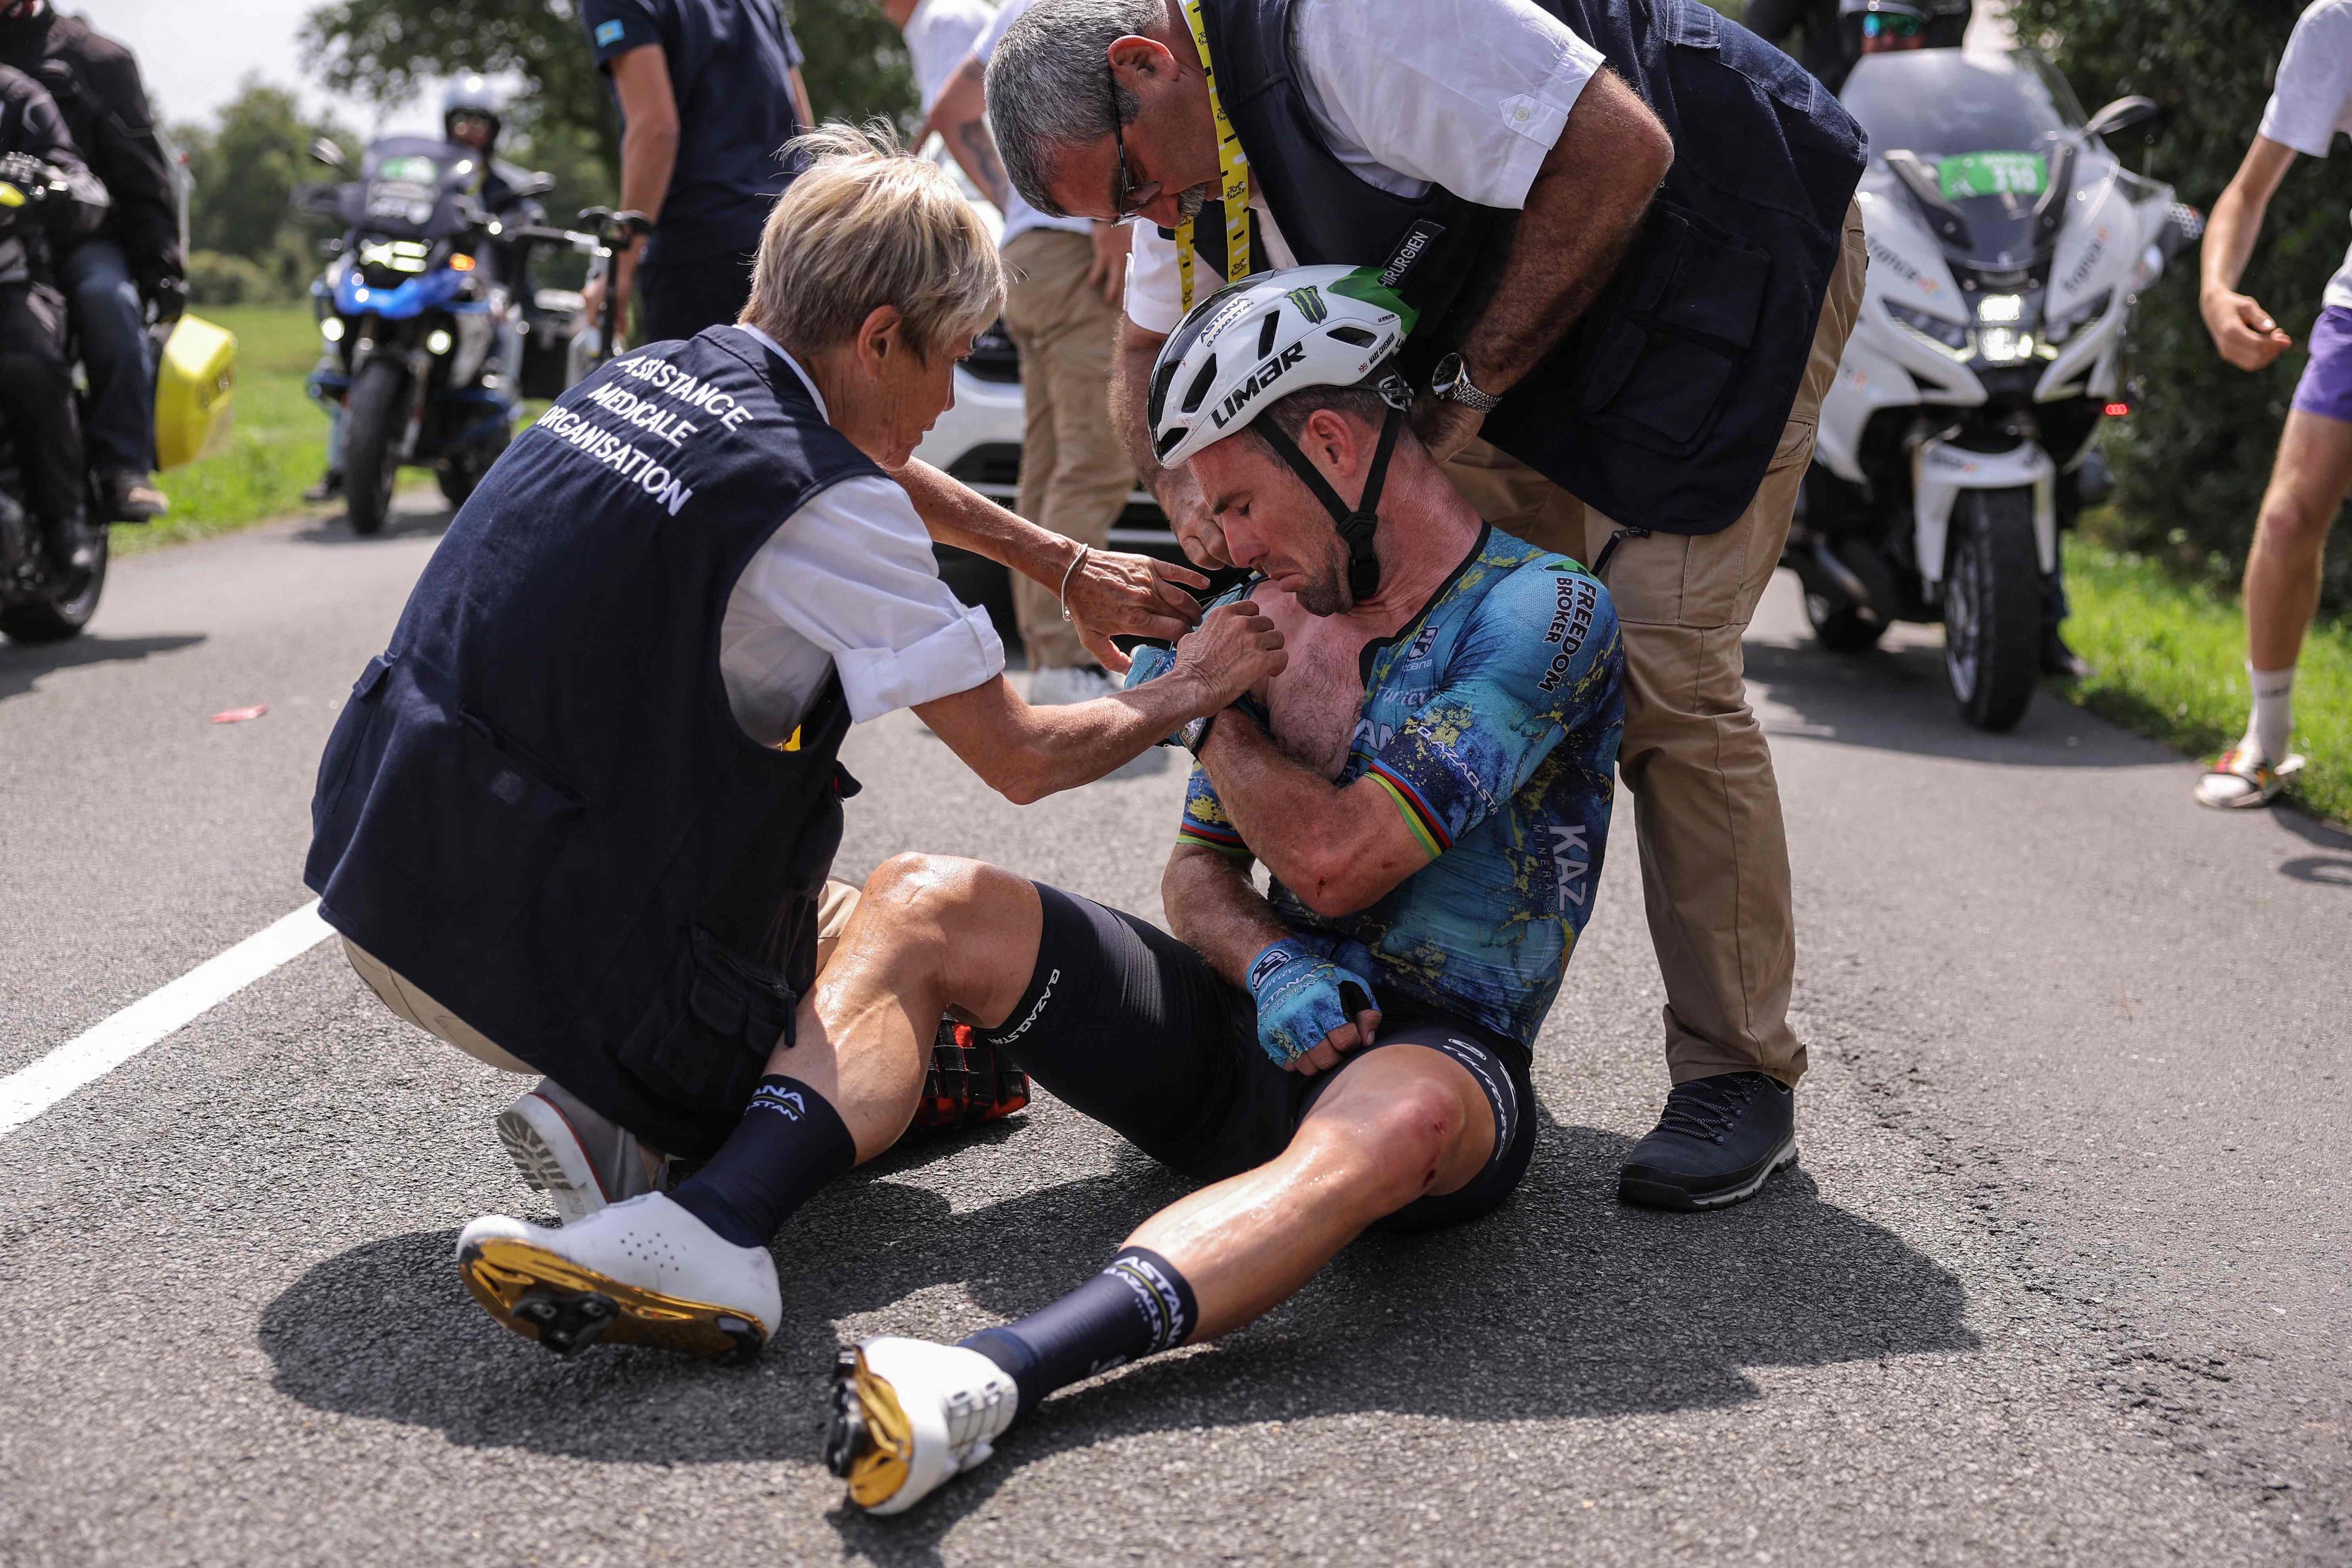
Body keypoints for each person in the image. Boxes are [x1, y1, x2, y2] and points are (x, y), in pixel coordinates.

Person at [440, 269, 1625, 1522]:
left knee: (1395, 1122)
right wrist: (1265, 957)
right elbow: (1200, 872)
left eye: (1233, 500)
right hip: (1247, 1031)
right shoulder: (1268, 613)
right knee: (925, 893)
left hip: (1438, 1061)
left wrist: (1193, 699)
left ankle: (989, 1377)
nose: (1221, 547)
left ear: (1330, 441)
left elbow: (1336, 856)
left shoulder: (1542, 613)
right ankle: (710, 1231)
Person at [984, 0, 1870, 1212]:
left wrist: (1452, 398)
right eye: (1116, 211)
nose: (1146, 218)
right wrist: (1192, 500)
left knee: (1665, 661)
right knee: (1397, 572)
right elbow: (1139, 361)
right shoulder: (1169, 130)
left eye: (1131, 186)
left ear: (1143, 68)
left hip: (1722, 235)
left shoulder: (1354, 22)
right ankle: (1422, 970)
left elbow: (1621, 151)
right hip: (1555, 270)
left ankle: (1737, 1073)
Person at [306, 126, 1253, 1233]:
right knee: (895, 961)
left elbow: (858, 459)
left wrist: (1060, 561)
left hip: (383, 866)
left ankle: (624, 1097)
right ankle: (643, 1124)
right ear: (882, 337)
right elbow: (1026, 759)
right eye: (950, 357)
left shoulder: (651, 370)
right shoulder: (827, 508)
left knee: (833, 908)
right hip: (502, 946)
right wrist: (1193, 682)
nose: (949, 400)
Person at [927, 0, 1142, 704]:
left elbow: (955, 106)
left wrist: (1025, 196)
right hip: (1082, 258)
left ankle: (1049, 658)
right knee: (1093, 462)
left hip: (1026, 255)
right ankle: (1060, 661)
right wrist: (1103, 209)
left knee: (1049, 463)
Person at [2192, 0, 2352, 810]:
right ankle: (2268, 737)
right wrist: (2217, 291)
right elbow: (2249, 192)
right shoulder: (2338, 26)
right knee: (2288, 520)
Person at [308, 76, 547, 506]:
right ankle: (340, 465)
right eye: (462, 120)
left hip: (479, 278)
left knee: (507, 322)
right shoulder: (430, 170)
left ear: (494, 129)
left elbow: (526, 213)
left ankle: (503, 408)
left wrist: (517, 223)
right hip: (421, 272)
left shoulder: (503, 182)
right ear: (448, 122)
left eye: (480, 121)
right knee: (350, 363)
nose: (470, 130)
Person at [0, 0, 181, 524]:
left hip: (77, 239)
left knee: (108, 301)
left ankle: (123, 465)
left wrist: (162, 267)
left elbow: (142, 173)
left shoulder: (96, 59)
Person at [576, 0, 816, 346]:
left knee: (695, 398)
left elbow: (656, 129)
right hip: (792, 240)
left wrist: (620, 268)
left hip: (700, 252)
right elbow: (804, 127)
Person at [0, 61, 106, 574]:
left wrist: (47, 178)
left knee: (29, 363)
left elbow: (83, 185)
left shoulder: (17, 97)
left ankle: (67, 521)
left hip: (11, 281)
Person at [1745, 0, 1969, 92]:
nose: (1889, 38)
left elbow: (1954, 22)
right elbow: (1763, 28)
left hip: (1925, 92)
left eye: (1905, 27)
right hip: (1835, 95)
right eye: (1877, 26)